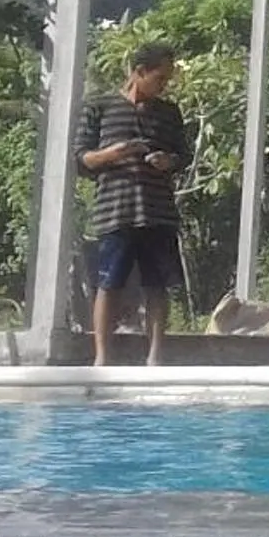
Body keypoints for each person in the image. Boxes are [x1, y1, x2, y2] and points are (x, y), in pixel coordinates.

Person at [75, 42, 190, 366]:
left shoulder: (169, 113)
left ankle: (155, 358)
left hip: (158, 212)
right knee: (109, 282)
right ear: (139, 72)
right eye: (159, 78)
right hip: (116, 209)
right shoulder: (99, 107)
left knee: (157, 285)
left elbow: (183, 156)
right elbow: (81, 158)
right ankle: (102, 358)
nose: (163, 86)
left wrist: (169, 161)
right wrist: (116, 152)